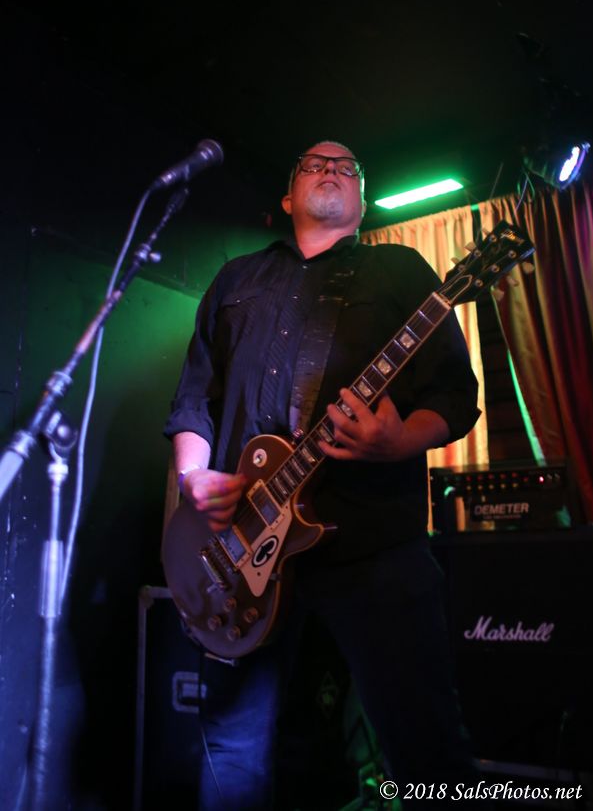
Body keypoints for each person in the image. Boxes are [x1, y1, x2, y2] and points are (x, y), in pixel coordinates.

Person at [164, 140, 481, 809]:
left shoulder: (401, 271)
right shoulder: (236, 279)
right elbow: (194, 400)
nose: (331, 169)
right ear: (288, 198)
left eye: (347, 167)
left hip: (373, 548)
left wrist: (398, 441)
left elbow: (456, 395)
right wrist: (193, 480)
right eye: (314, 163)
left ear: (362, 201)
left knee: (425, 745)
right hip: (242, 552)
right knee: (234, 751)